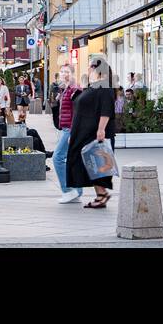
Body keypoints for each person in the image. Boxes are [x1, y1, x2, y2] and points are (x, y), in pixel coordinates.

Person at [67, 55, 118, 210]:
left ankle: (102, 194)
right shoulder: (94, 85)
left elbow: (106, 109)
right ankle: (100, 194)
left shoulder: (104, 87)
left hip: (94, 133)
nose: (88, 69)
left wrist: (101, 129)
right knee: (91, 163)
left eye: (90, 66)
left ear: (97, 68)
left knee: (97, 163)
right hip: (84, 132)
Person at [49, 64, 81, 203]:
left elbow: (78, 112)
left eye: (67, 72)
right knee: (71, 160)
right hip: (66, 128)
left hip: (70, 130)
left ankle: (68, 191)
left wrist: (73, 132)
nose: (63, 74)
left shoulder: (74, 88)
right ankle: (77, 192)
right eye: (62, 71)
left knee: (57, 158)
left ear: (73, 73)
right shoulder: (66, 88)